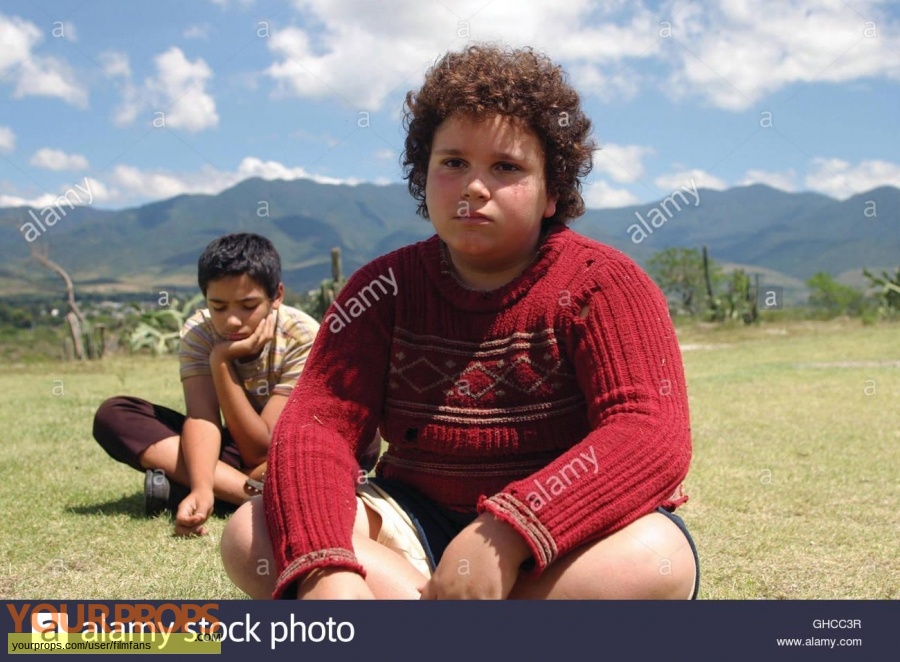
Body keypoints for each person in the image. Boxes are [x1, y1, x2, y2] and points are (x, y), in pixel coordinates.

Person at [221, 44, 699, 599]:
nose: (474, 186)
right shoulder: (383, 290)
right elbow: (316, 426)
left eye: (506, 167)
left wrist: (513, 527)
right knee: (248, 533)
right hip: (412, 527)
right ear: (424, 177)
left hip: (563, 536)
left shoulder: (604, 284)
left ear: (554, 193)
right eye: (453, 162)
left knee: (656, 559)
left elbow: (649, 434)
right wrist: (326, 569)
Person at [93, 233, 321, 536]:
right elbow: (202, 416)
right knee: (115, 415)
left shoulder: (302, 336)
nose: (232, 321)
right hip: (241, 453)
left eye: (247, 305)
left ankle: (186, 487)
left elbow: (260, 448)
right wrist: (202, 489)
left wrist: (222, 363)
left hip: (288, 445)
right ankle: (253, 494)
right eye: (219, 306)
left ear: (276, 296)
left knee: (302, 463)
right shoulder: (200, 331)